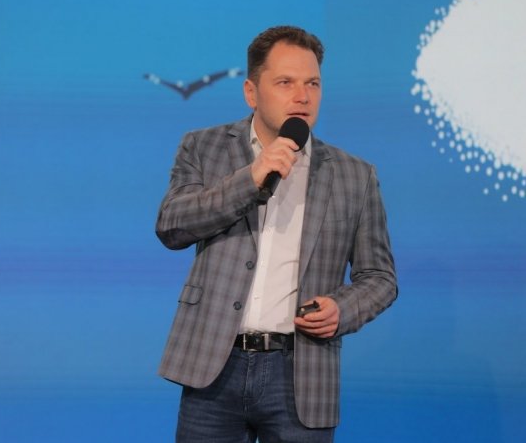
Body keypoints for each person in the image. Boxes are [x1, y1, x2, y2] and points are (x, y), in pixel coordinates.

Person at [155, 25, 398, 442]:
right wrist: (250, 179)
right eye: (286, 82)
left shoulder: (355, 175)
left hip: (300, 373)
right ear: (252, 92)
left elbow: (380, 277)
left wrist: (342, 309)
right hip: (213, 365)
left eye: (313, 84)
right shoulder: (203, 148)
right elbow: (172, 225)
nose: (302, 96)